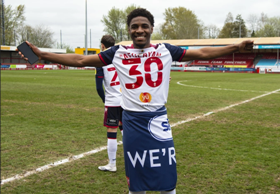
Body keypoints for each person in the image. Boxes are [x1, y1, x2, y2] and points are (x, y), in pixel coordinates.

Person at [17, 8, 254, 194]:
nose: (139, 30)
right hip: (131, 121)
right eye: (134, 27)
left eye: (144, 26)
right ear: (128, 30)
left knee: (167, 179)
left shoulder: (166, 50)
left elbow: (201, 53)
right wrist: (43, 55)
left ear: (152, 28)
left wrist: (236, 45)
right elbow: (80, 60)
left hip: (158, 119)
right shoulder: (117, 52)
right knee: (135, 180)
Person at [95, 35, 123, 172]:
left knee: (112, 131)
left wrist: (104, 100)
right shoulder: (121, 56)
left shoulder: (101, 58)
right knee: (126, 131)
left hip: (112, 101)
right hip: (126, 100)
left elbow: (99, 87)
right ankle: (135, 159)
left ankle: (112, 164)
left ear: (102, 45)